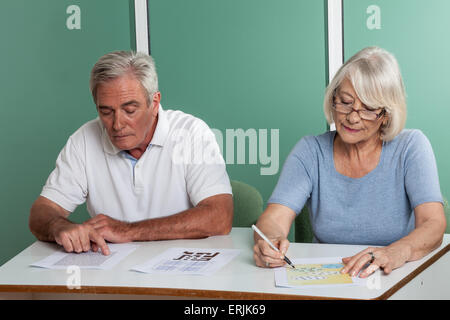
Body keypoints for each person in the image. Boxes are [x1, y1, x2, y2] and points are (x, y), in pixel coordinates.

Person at [253, 46, 446, 278]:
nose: (352, 117)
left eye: (368, 109)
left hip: (393, 275)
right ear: (332, 97)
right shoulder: (310, 151)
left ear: (386, 114)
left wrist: (395, 252)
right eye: (345, 102)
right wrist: (270, 240)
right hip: (329, 278)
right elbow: (275, 217)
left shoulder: (411, 146)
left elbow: (433, 223)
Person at [29, 51, 233, 255]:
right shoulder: (83, 140)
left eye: (129, 110)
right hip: (112, 273)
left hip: (181, 270)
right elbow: (42, 211)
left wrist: (127, 230)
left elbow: (220, 217)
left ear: (154, 104)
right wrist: (59, 227)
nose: (117, 125)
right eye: (106, 112)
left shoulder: (191, 133)